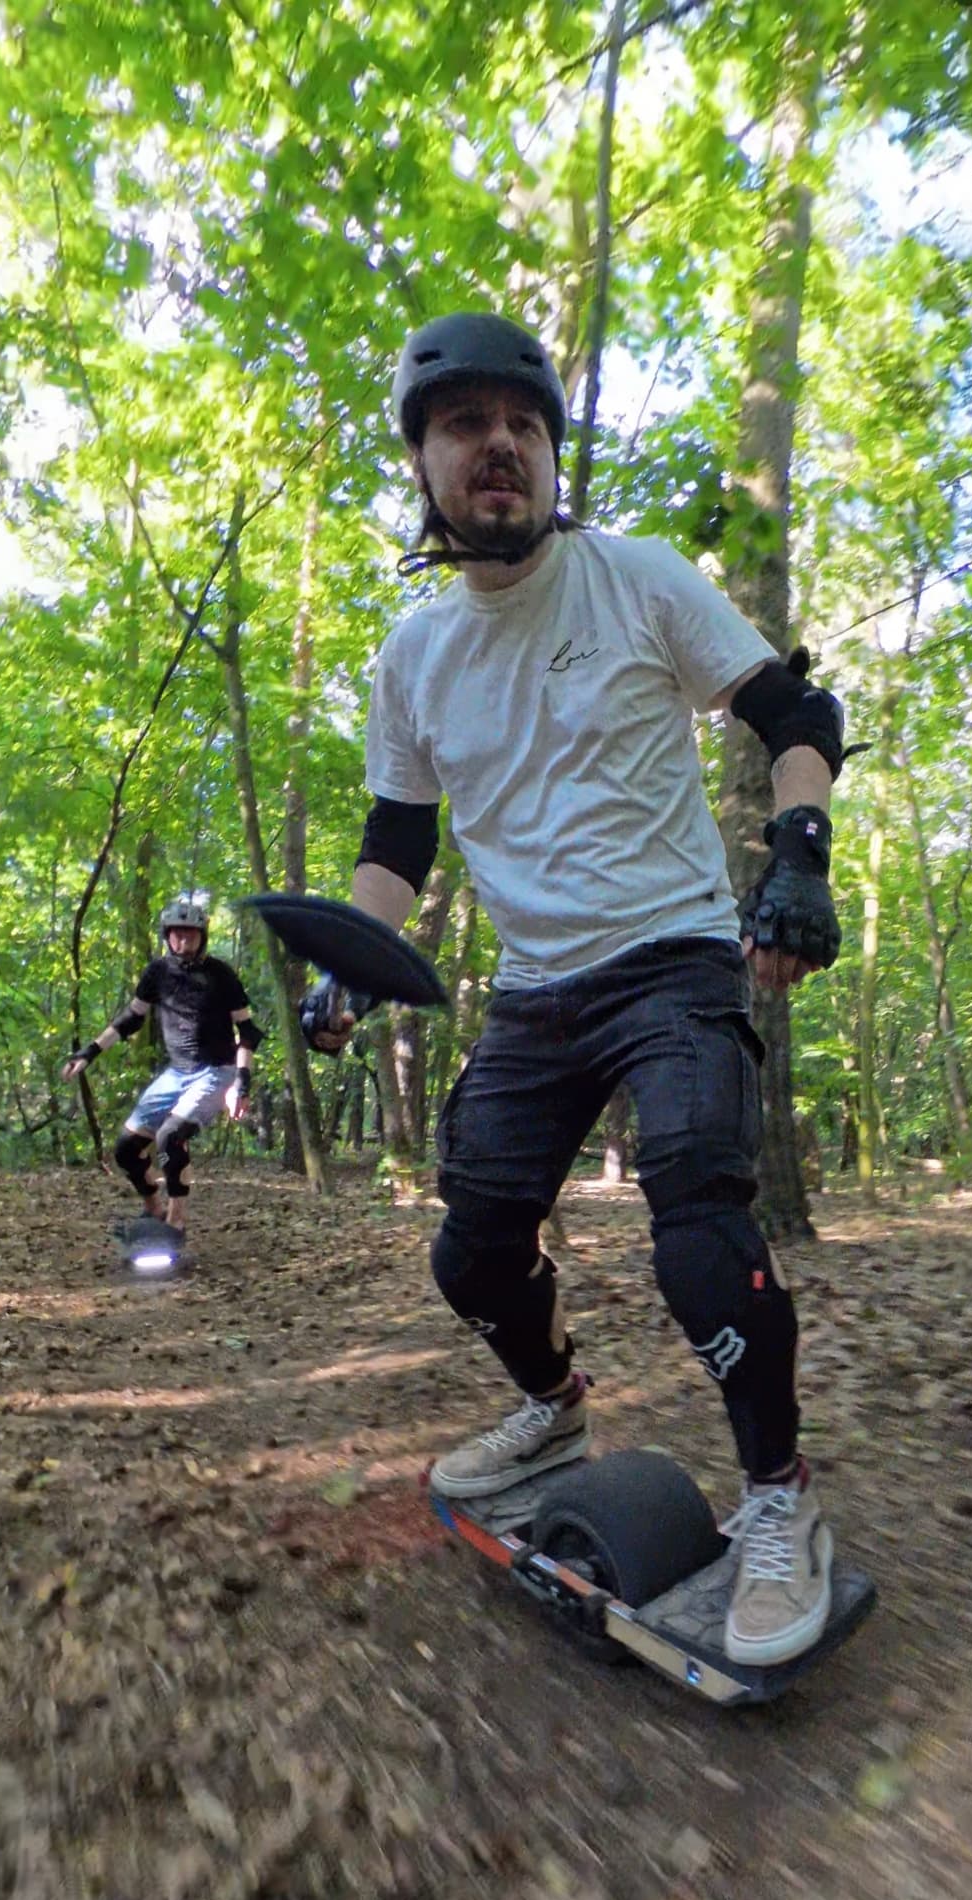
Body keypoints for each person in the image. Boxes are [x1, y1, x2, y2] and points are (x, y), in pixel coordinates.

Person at [301, 310, 850, 1665]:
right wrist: (349, 975)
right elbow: (397, 849)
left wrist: (800, 858)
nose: (499, 446)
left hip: (671, 954)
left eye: (524, 426)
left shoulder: (639, 579)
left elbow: (798, 717)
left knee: (697, 1220)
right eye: (463, 427)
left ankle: (781, 1507)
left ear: (551, 459)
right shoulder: (413, 654)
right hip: (538, 990)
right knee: (471, 1247)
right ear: (423, 466)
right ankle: (551, 1405)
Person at [64, 896, 261, 1233]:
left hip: (216, 1071)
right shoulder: (158, 973)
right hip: (177, 1073)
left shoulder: (221, 975)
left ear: (203, 936)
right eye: (177, 935)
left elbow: (248, 1032)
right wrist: (89, 1052)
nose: (184, 942)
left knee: (171, 1135)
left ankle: (176, 1220)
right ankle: (152, 1206)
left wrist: (242, 1082)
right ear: (167, 936)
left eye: (191, 935)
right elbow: (131, 1019)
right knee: (126, 1149)